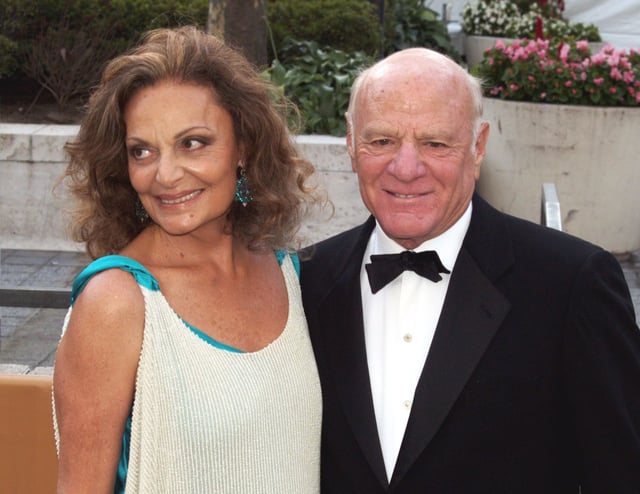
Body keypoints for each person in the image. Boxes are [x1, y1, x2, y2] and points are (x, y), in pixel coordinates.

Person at [300, 47, 640, 493]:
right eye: (381, 141)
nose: (405, 168)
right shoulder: (308, 280)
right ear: (350, 143)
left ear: (478, 147)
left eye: (435, 143)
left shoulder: (572, 283)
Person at [52, 26, 322, 493]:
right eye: (143, 151)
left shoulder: (290, 277)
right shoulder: (117, 302)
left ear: (244, 148)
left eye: (192, 143)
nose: (166, 174)